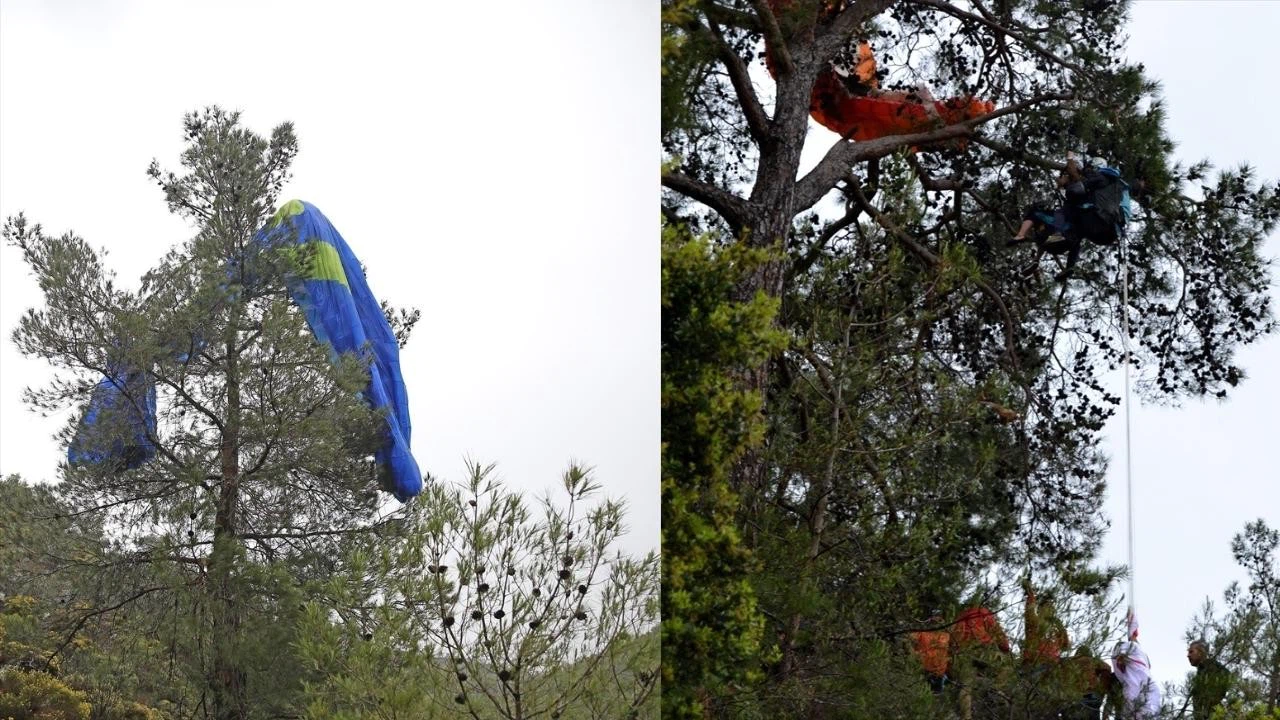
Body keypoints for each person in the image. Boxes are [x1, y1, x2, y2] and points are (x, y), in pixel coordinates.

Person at [1008, 155, 1128, 281]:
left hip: (1061, 233)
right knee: (1075, 235)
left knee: (1037, 213)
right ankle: (1065, 265)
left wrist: (1070, 157)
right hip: (1074, 235)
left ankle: (1022, 235)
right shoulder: (1104, 189)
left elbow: (1073, 176)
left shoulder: (1086, 182)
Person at [1110, 640, 1161, 719]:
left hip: (1135, 689)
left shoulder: (1128, 649)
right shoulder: (1140, 663)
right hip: (1146, 688)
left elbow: (1122, 655)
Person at [1187, 639, 1231, 720]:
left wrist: (1214, 698)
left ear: (1200, 653)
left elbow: (1227, 677)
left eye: (1191, 652)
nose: (1188, 655)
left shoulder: (1212, 666)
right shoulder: (1200, 672)